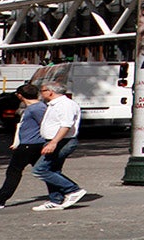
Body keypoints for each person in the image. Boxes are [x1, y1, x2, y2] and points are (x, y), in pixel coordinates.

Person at [0, 83, 48, 209]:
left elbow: (45, 125)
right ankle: (61, 192)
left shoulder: (36, 108)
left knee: (14, 172)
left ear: (20, 96)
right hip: (30, 144)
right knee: (45, 171)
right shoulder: (35, 107)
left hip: (30, 145)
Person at [29, 82, 87, 212]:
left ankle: (73, 189)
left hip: (62, 141)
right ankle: (55, 199)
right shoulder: (54, 104)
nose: (41, 93)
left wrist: (54, 142)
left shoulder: (65, 105)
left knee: (40, 169)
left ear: (51, 92)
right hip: (54, 140)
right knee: (53, 170)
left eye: (43, 90)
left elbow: (65, 125)